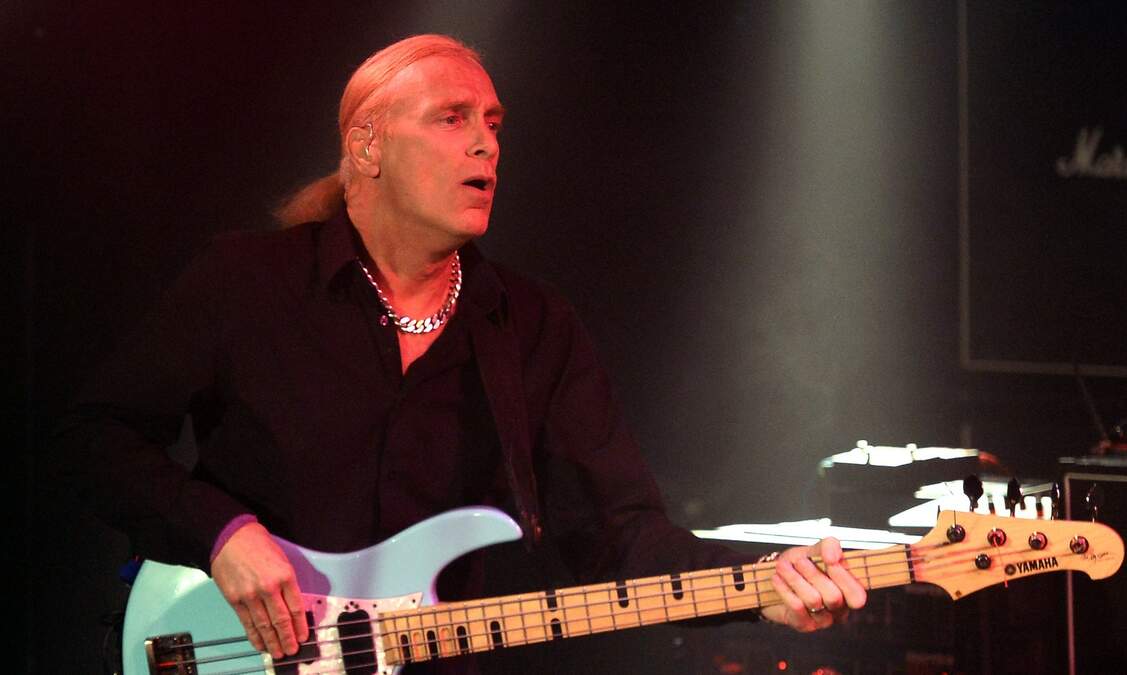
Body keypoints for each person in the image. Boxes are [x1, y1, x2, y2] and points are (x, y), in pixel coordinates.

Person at [53, 34, 866, 673]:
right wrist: (223, 532)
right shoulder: (247, 282)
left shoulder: (532, 328)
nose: (486, 145)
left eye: (494, 124)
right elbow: (94, 436)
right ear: (367, 147)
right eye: (453, 118)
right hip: (225, 644)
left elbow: (621, 536)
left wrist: (764, 583)